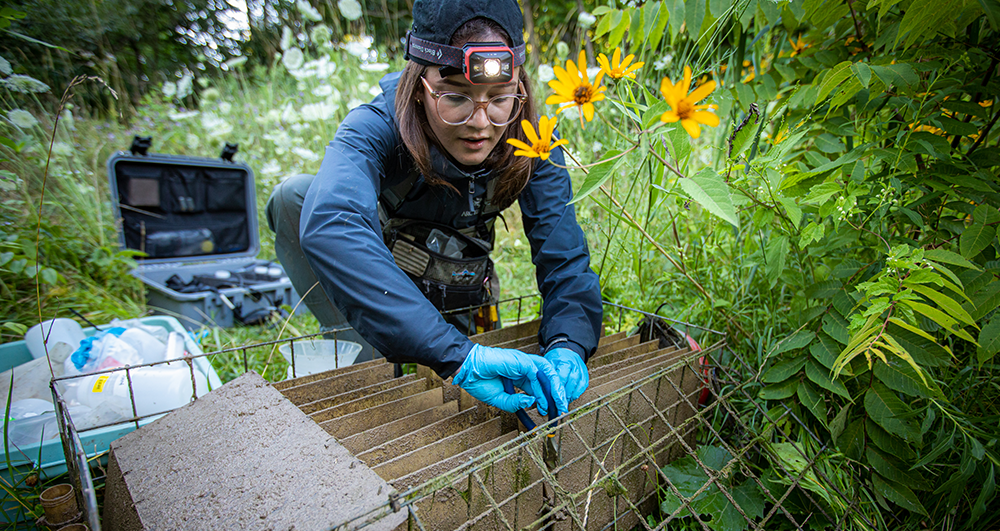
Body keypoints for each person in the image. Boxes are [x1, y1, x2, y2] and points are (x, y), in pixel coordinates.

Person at [265, 0, 603, 418]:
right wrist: (455, 356)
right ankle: (357, 347)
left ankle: (442, 347)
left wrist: (568, 343)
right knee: (296, 197)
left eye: (499, 97)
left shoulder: (535, 139)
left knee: (461, 405)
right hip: (379, 281)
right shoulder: (376, 124)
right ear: (419, 84)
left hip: (458, 284)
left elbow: (564, 257)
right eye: (456, 97)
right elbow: (333, 221)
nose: (481, 122)